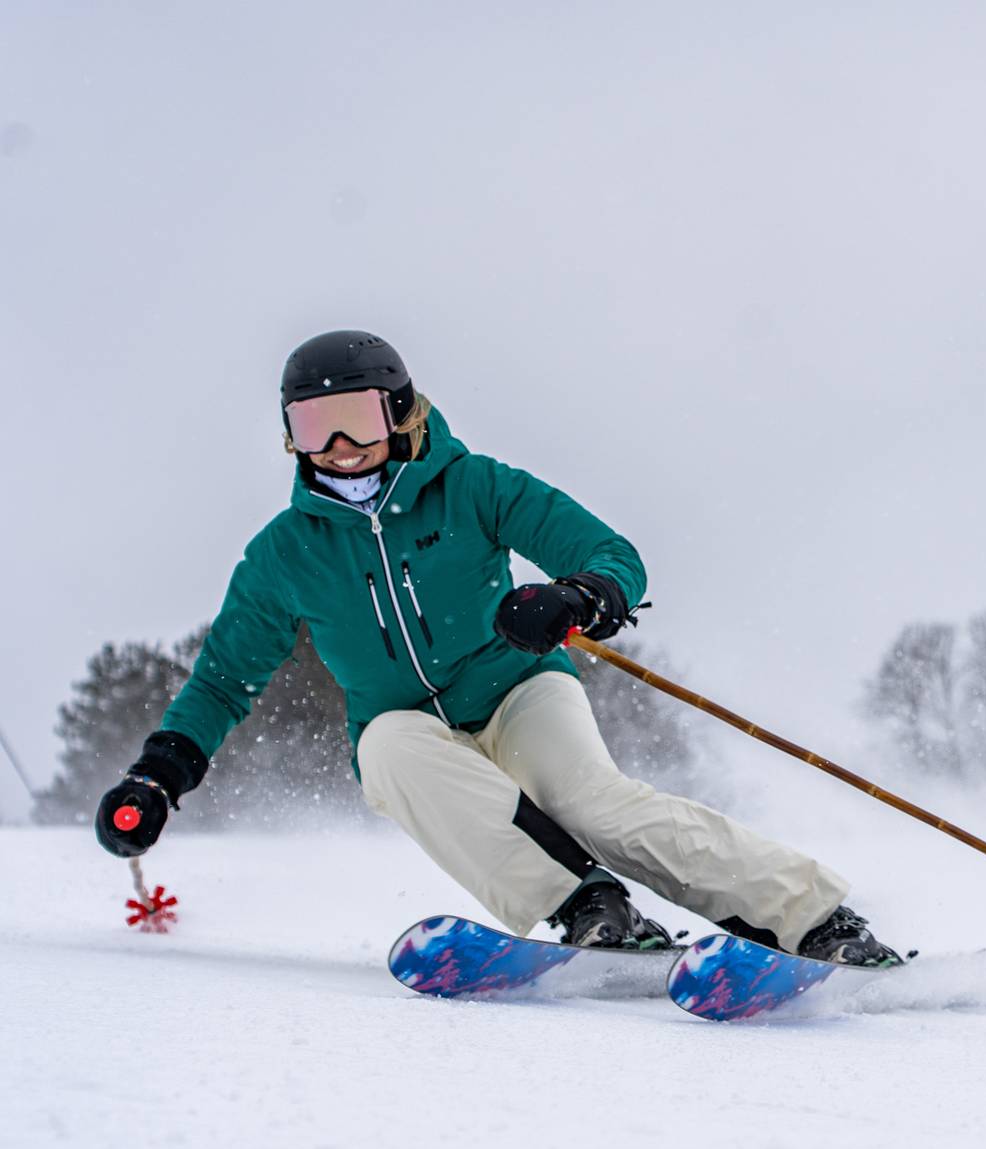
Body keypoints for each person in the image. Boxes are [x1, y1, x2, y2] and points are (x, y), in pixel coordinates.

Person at [94, 330, 901, 966]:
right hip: (408, 726)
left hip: (521, 692)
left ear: (402, 411)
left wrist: (576, 596)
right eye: (313, 424)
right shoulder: (284, 554)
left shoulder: (474, 487)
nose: (339, 443)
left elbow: (611, 553)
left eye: (361, 418)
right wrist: (158, 775)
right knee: (387, 748)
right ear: (288, 436)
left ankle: (815, 919)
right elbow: (224, 680)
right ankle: (590, 905)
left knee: (586, 798)